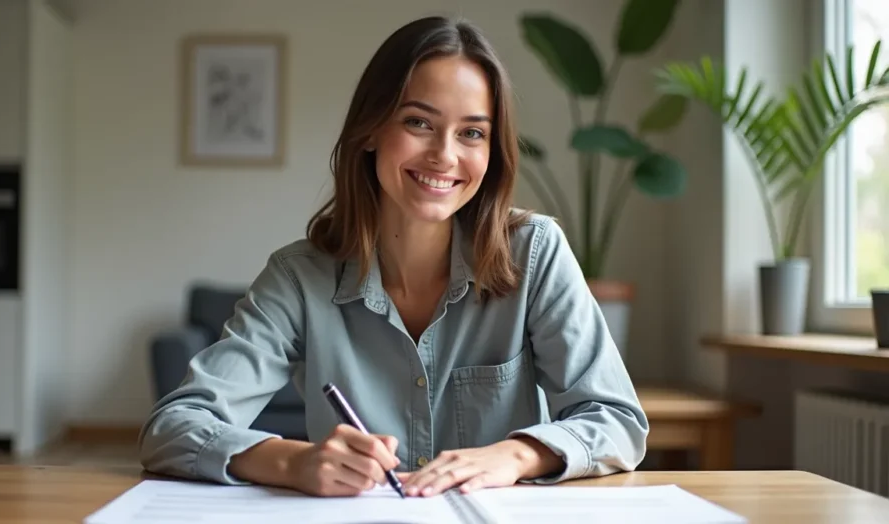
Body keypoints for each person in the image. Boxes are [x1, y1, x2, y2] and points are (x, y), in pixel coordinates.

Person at [138, 15, 649, 498]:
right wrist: (292, 462)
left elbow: (617, 420)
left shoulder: (534, 253)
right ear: (371, 130)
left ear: (491, 152)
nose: (444, 155)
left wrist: (516, 455)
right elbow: (174, 426)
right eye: (418, 122)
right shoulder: (298, 278)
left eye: (472, 132)